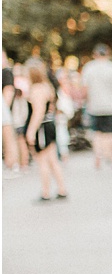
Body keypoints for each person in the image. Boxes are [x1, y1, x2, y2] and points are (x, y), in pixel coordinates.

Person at [24, 60, 68, 202]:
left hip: (41, 127)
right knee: (52, 160)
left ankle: (46, 192)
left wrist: (30, 132)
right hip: (49, 124)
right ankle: (61, 189)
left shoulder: (36, 89)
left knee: (43, 161)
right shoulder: (46, 86)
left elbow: (38, 112)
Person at [81, 44, 112, 168]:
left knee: (97, 134)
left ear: (95, 54)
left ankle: (98, 156)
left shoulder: (88, 68)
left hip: (95, 107)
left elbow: (85, 89)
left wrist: (86, 101)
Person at [2, 52, 18, 172]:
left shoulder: (6, 72)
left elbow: (9, 92)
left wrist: (3, 110)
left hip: (4, 112)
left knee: (9, 139)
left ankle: (12, 164)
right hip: (4, 112)